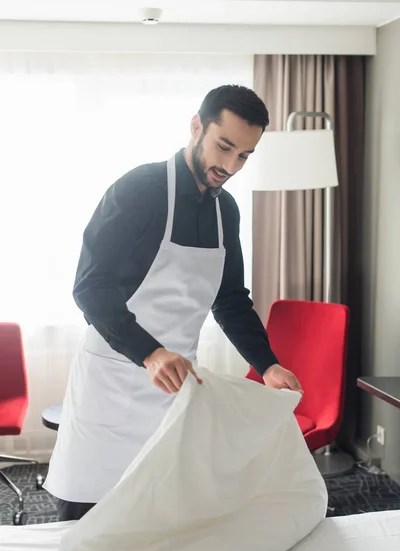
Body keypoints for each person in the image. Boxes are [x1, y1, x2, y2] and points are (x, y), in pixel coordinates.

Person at [44, 84, 302, 522]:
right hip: (111, 385)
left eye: (244, 155)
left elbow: (231, 301)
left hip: (175, 389)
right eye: (224, 147)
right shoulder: (137, 190)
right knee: (88, 518)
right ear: (196, 125)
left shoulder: (227, 213)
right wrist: (149, 353)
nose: (230, 165)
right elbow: (90, 286)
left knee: (162, 516)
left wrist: (268, 364)